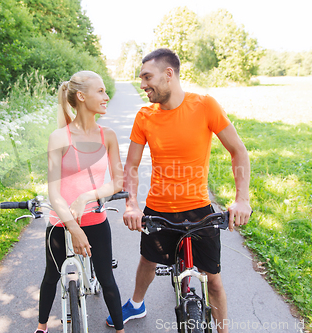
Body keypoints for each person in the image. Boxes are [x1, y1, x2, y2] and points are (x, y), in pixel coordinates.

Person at [105, 49, 252, 333]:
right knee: (148, 261)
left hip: (198, 209)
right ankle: (137, 304)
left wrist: (241, 199)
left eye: (148, 77)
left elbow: (238, 151)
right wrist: (132, 205)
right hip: (159, 209)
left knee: (215, 280)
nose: (143, 84)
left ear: (169, 74)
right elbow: (131, 165)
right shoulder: (145, 115)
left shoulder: (205, 105)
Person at [36, 70, 125, 333]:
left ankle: (120, 330)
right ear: (81, 96)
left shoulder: (107, 135)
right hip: (61, 222)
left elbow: (118, 182)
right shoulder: (59, 137)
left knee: (107, 279)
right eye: (100, 91)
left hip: (95, 219)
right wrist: (72, 227)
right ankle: (41, 327)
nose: (106, 96)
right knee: (51, 276)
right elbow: (54, 193)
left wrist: (87, 196)